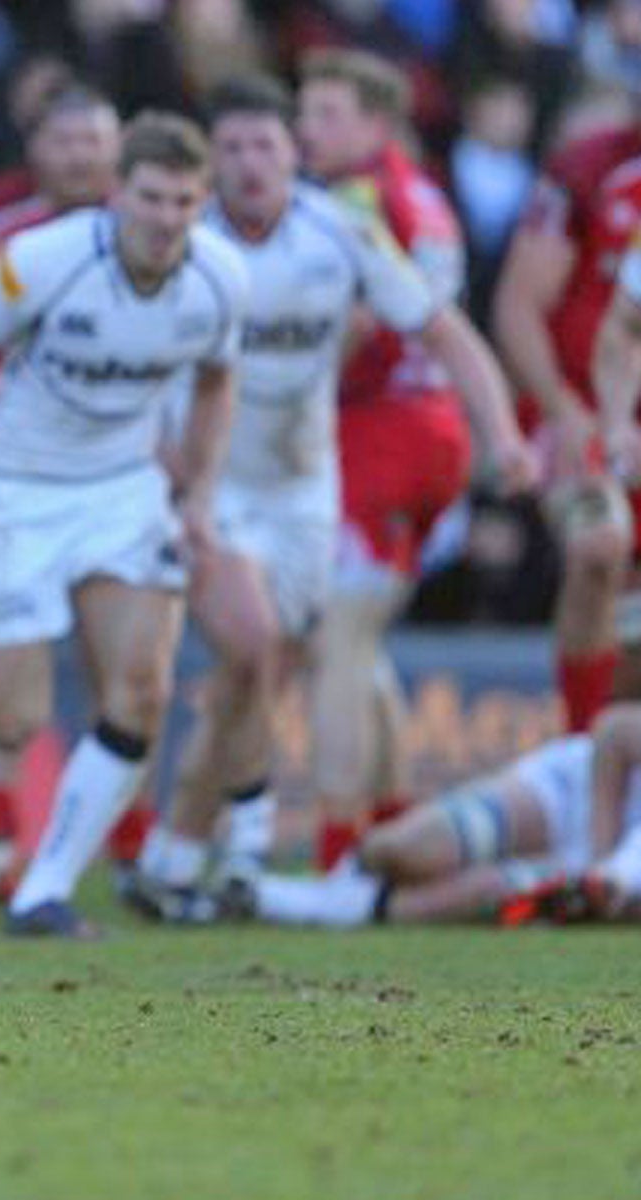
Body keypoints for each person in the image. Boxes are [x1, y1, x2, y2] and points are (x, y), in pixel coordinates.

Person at [126, 76, 534, 920]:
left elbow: (441, 327)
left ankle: (180, 854)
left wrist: (502, 433)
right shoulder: (182, 240)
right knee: (259, 652)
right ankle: (298, 851)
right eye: (231, 148)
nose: (248, 164)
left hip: (310, 487)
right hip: (210, 486)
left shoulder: (342, 229)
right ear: (211, 161)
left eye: (266, 145)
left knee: (274, 665)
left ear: (292, 157)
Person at [0, 112, 248, 937]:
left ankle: (42, 889)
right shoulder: (44, 260)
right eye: (153, 198)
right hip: (16, 492)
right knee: (17, 719)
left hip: (125, 492)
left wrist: (197, 492)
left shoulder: (222, 277)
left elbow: (216, 381)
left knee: (142, 690)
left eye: (185, 203)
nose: (167, 219)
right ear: (117, 193)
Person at [0, 79, 121, 901]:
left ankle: (128, 851)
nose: (80, 156)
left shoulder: (145, 228)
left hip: (114, 477)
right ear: (36, 149)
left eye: (94, 139)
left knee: (118, 667)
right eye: (65, 141)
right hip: (1, 474)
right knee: (25, 670)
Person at [296, 48, 475, 869]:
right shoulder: (425, 190)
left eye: (326, 113)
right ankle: (396, 816)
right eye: (305, 110)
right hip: (431, 431)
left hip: (382, 432)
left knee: (335, 640)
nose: (305, 129)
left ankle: (339, 852)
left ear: (376, 122)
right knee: (359, 642)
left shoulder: (356, 198)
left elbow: (360, 328)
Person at [492, 116, 641, 737]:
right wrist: (567, 410)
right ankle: (582, 750)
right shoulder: (587, 168)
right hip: (582, 409)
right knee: (599, 547)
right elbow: (518, 304)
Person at [235, 704, 641, 928]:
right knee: (409, 850)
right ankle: (346, 873)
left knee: (475, 895)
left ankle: (266, 898)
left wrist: (605, 890)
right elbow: (614, 733)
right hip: (566, 796)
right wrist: (596, 860)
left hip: (601, 879)